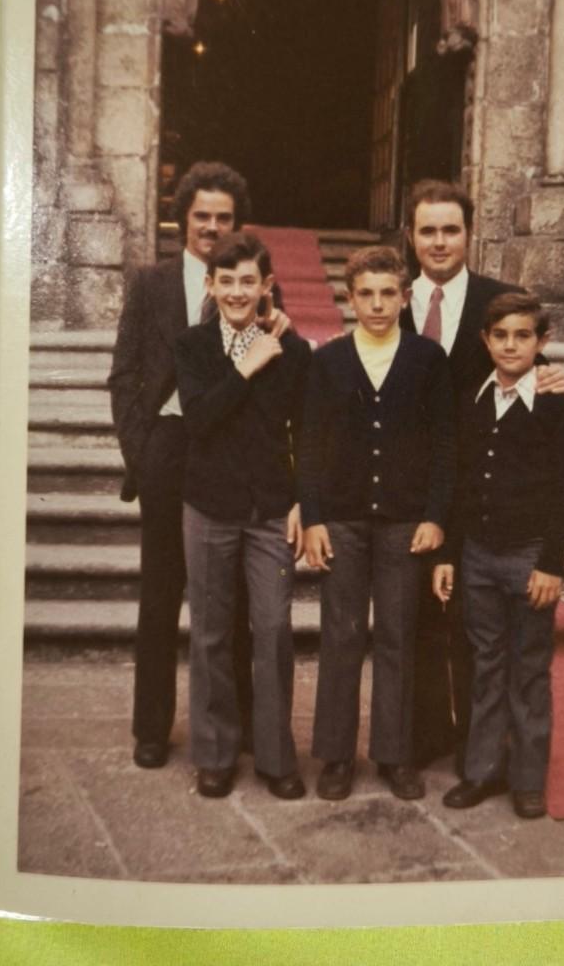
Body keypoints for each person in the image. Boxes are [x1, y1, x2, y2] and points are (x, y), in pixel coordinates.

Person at [106, 161, 281, 769]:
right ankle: (151, 728)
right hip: (169, 452)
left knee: (228, 599)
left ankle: (240, 728)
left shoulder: (253, 285)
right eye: (202, 216)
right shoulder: (152, 284)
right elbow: (124, 375)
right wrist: (143, 449)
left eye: (224, 218)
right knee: (161, 597)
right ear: (184, 220)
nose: (212, 227)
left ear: (238, 223)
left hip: (230, 457)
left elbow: (274, 369)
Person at [400, 179, 564, 774]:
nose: (440, 242)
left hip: (476, 490)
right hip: (409, 489)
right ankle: (425, 739)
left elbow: (528, 360)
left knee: (480, 636)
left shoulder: (499, 302)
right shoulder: (391, 301)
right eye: (428, 230)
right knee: (419, 618)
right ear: (411, 237)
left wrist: (561, 382)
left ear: (469, 234)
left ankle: (485, 748)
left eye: (451, 229)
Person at [299, 246, 455, 802]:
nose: (378, 304)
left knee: (397, 637)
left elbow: (444, 445)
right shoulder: (329, 361)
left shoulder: (427, 359)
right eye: (366, 293)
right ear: (349, 298)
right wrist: (313, 518)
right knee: (341, 636)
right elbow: (310, 445)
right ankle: (337, 756)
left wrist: (436, 516)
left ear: (405, 297)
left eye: (389, 293)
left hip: (403, 523)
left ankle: (395, 754)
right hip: (341, 519)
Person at [432, 291, 564, 819]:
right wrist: (451, 553)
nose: (510, 345)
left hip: (528, 559)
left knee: (529, 668)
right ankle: (480, 770)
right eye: (500, 335)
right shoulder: (476, 398)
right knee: (485, 665)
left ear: (542, 343)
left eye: (523, 336)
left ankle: (527, 778)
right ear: (486, 340)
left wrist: (551, 564)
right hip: (477, 555)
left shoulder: (555, 404)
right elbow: (460, 482)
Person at [173, 232, 311, 800]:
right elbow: (200, 419)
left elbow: (306, 431)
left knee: (275, 630)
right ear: (210, 285)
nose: (236, 291)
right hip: (208, 507)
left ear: (266, 286)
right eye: (225, 281)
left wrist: (305, 500)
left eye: (247, 281)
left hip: (271, 511)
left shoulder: (292, 351)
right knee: (208, 632)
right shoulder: (192, 346)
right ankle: (215, 753)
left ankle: (277, 757)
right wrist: (245, 366)